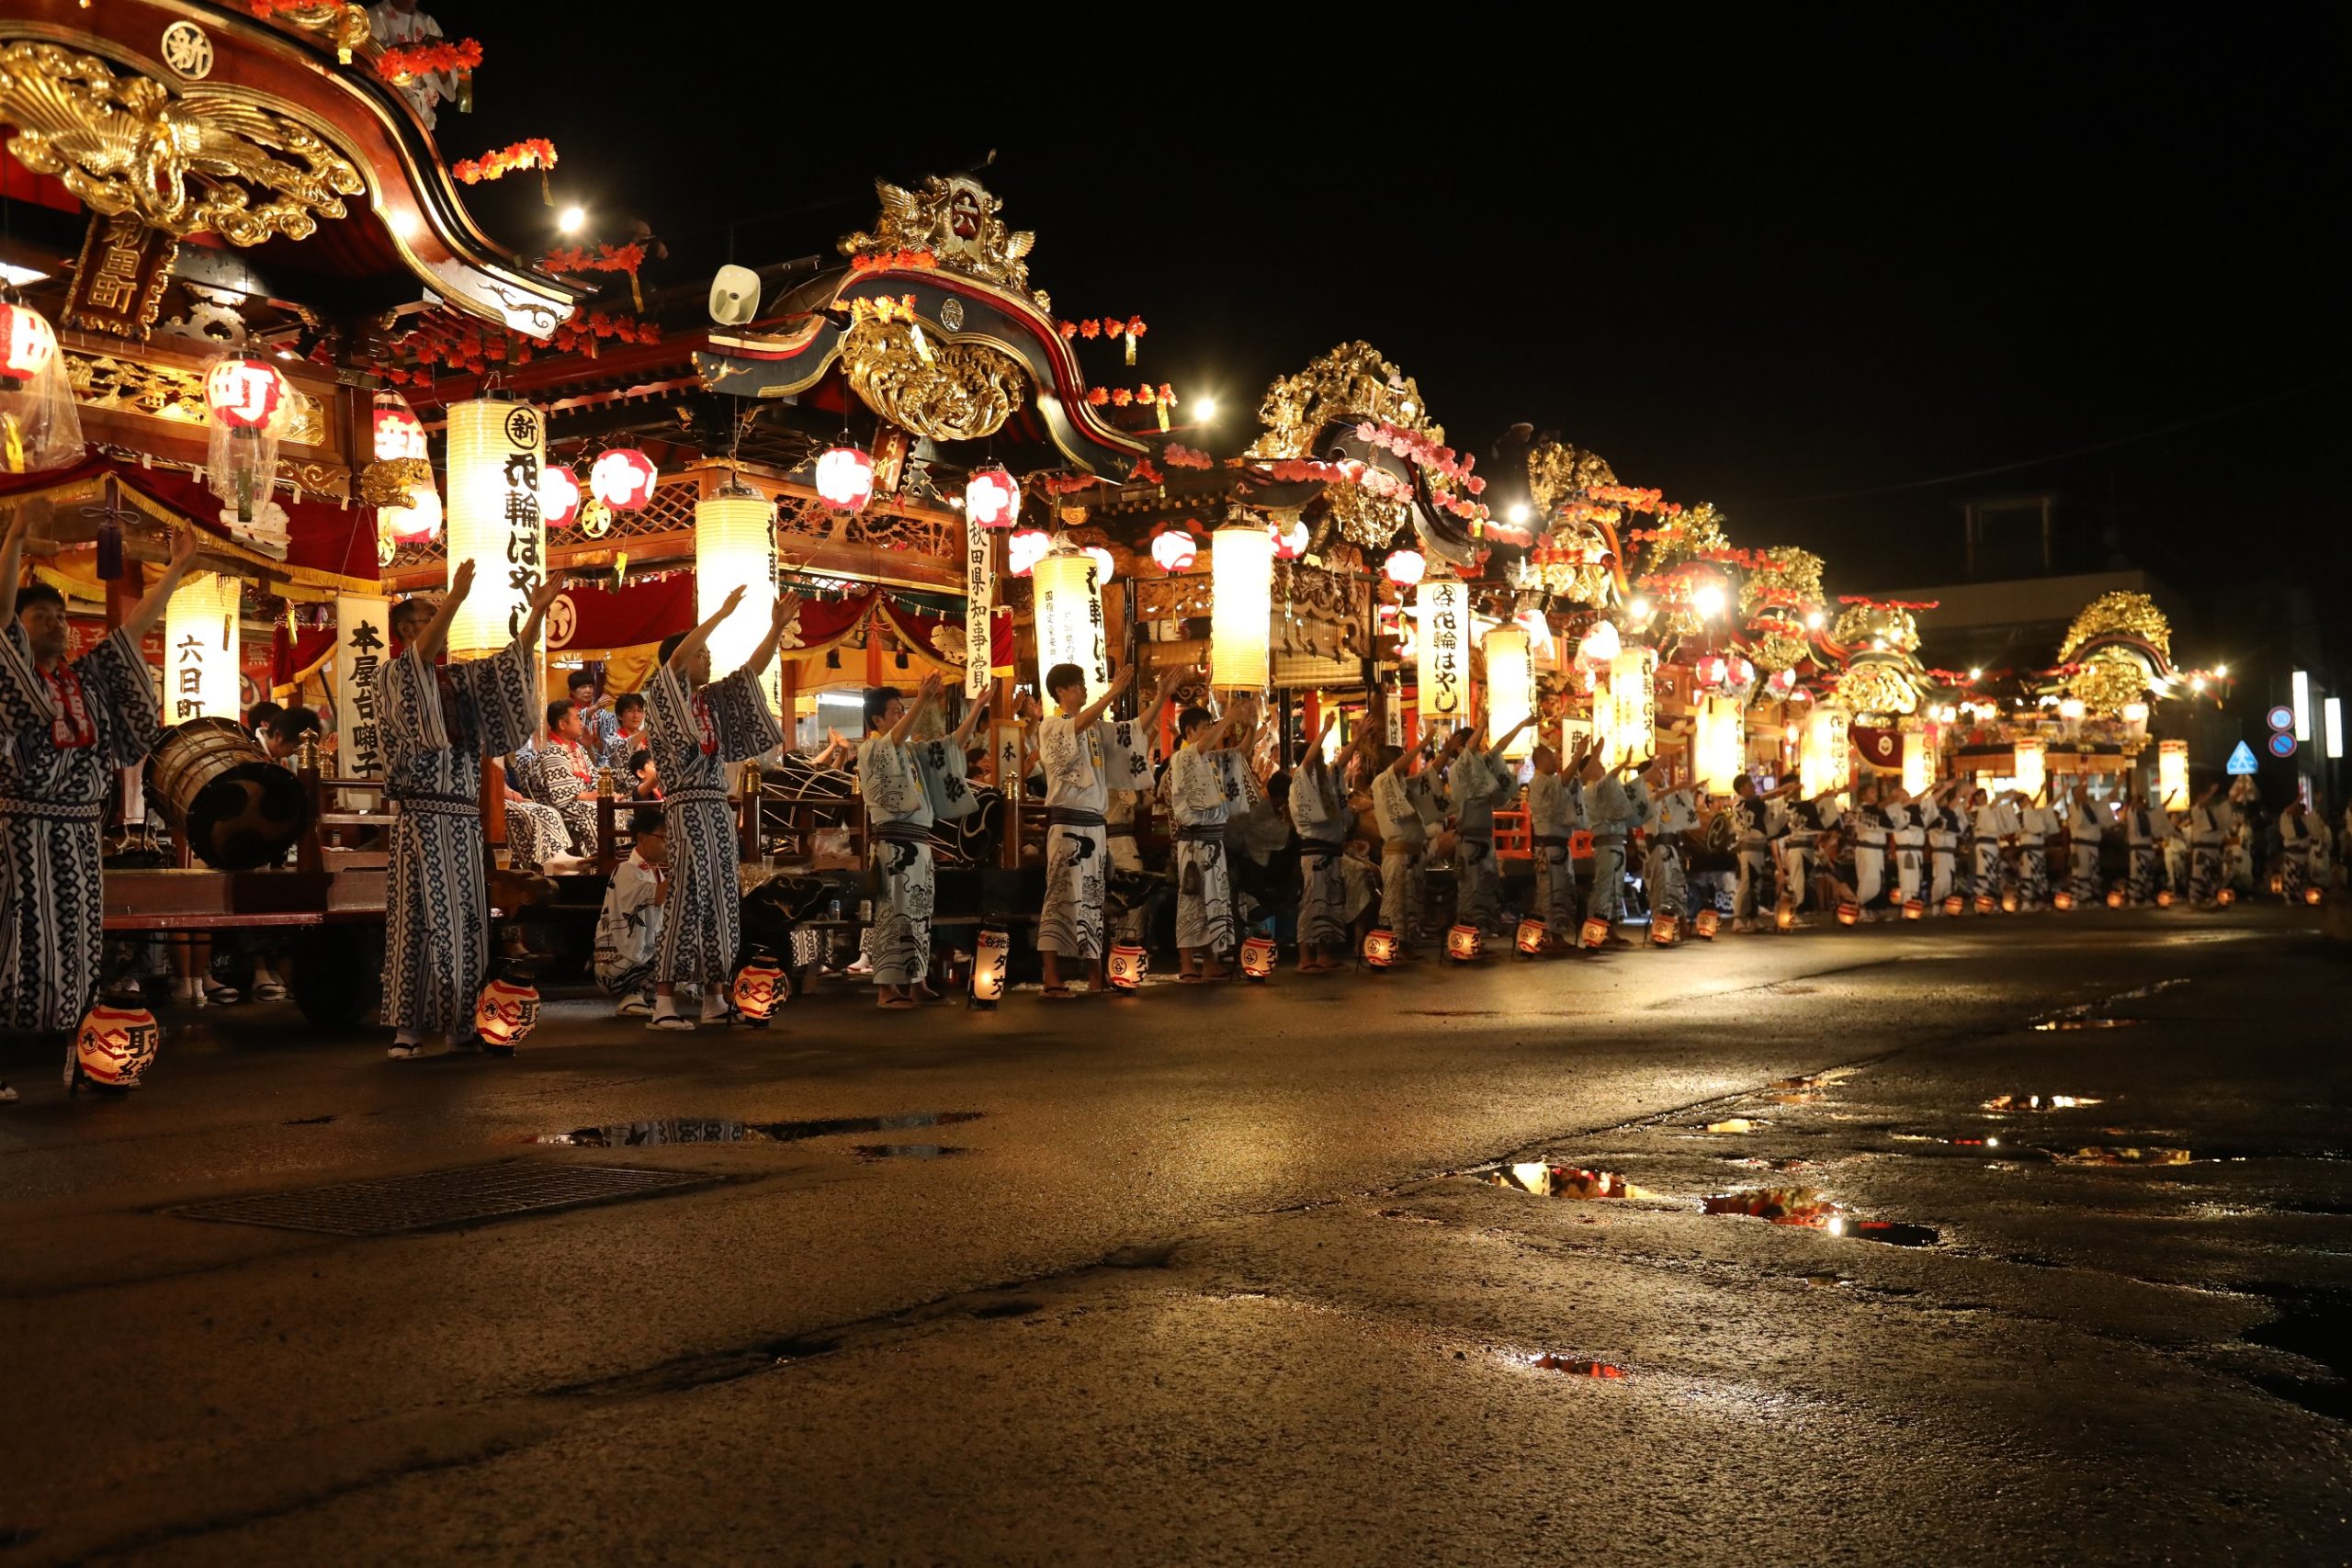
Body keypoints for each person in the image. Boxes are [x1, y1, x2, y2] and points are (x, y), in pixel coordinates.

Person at [0, 507, 198, 1100]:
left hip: (81, 836)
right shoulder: (10, 673)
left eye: (62, 616)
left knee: (83, 948)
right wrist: (12, 538)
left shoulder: (85, 679)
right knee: (15, 940)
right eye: (43, 616)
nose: (57, 624)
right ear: (19, 625)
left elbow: (130, 633)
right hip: (23, 833)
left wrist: (178, 568)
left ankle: (84, 1060)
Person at [379, 566, 561, 1059]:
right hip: (421, 816)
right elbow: (417, 678)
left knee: (467, 921)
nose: (435, 625)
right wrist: (456, 595)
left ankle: (461, 1021)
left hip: (461, 819)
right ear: (406, 631)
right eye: (425, 619)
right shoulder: (393, 675)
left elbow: (509, 665)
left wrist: (537, 611)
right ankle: (408, 1029)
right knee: (415, 922)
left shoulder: (458, 679)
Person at [644, 586, 797, 1031]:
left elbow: (751, 672)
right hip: (687, 807)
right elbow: (674, 661)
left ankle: (714, 996)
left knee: (721, 902)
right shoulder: (662, 695)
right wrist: (720, 613)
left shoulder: (707, 702)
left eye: (708, 653)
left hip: (715, 808)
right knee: (687, 898)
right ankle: (663, 1002)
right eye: (700, 653)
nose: (707, 659)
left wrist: (775, 627)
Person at [858, 674, 982, 1009]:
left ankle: (917, 982)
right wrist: (923, 701)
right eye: (896, 711)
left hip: (920, 845)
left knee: (919, 915)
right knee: (894, 914)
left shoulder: (911, 752)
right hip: (894, 846)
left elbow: (951, 746)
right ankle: (886, 990)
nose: (901, 716)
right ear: (877, 719)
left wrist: (978, 708)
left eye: (903, 710)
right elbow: (893, 742)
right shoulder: (872, 749)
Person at [1035, 660, 1153, 998]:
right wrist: (1112, 693)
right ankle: (1051, 976)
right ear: (1061, 691)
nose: (1084, 691)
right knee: (1059, 897)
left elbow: (1132, 732)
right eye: (1078, 685)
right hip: (1068, 824)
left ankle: (1095, 975)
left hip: (1095, 827)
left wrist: (1161, 699)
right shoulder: (1052, 725)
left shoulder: (1094, 729)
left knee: (1092, 900)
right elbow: (1074, 728)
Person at [1168, 695, 1253, 981]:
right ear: (1190, 732)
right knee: (1191, 901)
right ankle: (1187, 964)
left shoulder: (1212, 760)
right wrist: (1228, 718)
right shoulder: (1183, 757)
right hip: (1193, 843)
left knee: (1214, 902)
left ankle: (1210, 961)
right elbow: (1203, 747)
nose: (1209, 731)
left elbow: (1240, 752)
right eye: (1205, 726)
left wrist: (1251, 727)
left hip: (1214, 841)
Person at [1446, 706, 1529, 936]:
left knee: (1486, 885)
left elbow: (1500, 746)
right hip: (1471, 838)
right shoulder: (1460, 767)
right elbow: (1472, 747)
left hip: (1483, 836)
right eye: (1476, 740)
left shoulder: (1478, 764)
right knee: (1472, 889)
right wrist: (1482, 723)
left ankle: (1481, 929)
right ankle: (1470, 933)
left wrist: (1522, 724)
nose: (1480, 745)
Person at [1289, 713, 1360, 973]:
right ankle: (1305, 956)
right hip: (1314, 852)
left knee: (1330, 903)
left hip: (1331, 850)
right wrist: (1326, 729)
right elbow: (1308, 760)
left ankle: (1324, 954)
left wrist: (1359, 737)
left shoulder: (1325, 779)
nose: (1321, 759)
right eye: (1318, 755)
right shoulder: (1301, 779)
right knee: (1312, 902)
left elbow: (1340, 762)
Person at [1371, 735, 1444, 953]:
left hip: (1412, 855)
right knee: (1397, 905)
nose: (1408, 764)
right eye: (1403, 760)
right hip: (1397, 854)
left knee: (1412, 905)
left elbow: (1429, 776)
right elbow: (1396, 769)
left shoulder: (1405, 785)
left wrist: (1446, 752)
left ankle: (1407, 947)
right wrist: (1420, 746)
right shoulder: (1382, 782)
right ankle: (1393, 949)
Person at [594, 808, 667, 1017]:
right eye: (664, 837)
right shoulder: (626, 870)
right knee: (675, 948)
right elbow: (659, 896)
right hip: (616, 966)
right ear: (642, 838)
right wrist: (686, 866)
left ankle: (643, 992)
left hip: (640, 960)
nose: (669, 844)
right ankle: (632, 992)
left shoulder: (655, 870)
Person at [1584, 751, 1654, 943]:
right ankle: (1598, 930)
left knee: (1615, 888)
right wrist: (1624, 763)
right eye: (1598, 764)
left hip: (1616, 844)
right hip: (1605, 844)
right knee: (1604, 888)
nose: (1603, 768)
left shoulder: (1605, 789)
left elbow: (1629, 791)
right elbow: (1607, 780)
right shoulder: (1591, 790)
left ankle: (1611, 930)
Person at [1525, 738, 1587, 946]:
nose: (1556, 762)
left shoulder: (1552, 782)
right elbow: (1564, 781)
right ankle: (1553, 937)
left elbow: (1575, 782)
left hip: (1559, 847)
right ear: (1540, 760)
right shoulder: (1539, 782)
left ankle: (1557, 936)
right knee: (1551, 892)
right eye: (1552, 758)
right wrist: (1578, 755)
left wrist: (1591, 757)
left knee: (1561, 891)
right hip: (1549, 847)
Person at [367, 0, 456, 128]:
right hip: (388, 105)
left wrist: (438, 62)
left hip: (422, 112)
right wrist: (398, 51)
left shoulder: (428, 23)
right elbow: (364, 60)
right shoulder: (375, 16)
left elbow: (447, 79)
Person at [534, 697, 603, 856]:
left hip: (580, 802)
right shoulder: (551, 751)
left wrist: (602, 792)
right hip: (561, 806)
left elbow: (594, 776)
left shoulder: (577, 748)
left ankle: (616, 859)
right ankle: (599, 861)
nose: (581, 723)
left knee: (613, 806)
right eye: (577, 718)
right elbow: (562, 796)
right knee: (598, 811)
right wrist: (591, 796)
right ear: (562, 724)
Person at [1729, 773, 1798, 932]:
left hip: (1757, 848)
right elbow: (1763, 799)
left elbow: (1772, 804)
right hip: (1748, 848)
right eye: (1750, 785)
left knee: (1755, 884)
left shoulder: (1754, 804)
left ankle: (1752, 919)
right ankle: (1738, 918)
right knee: (1747, 883)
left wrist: (1787, 795)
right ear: (1742, 789)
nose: (1754, 787)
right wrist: (1782, 790)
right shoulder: (1740, 805)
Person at [2186, 783, 2230, 908]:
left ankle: (2211, 897)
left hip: (2213, 849)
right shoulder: (2196, 810)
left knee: (2213, 874)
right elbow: (2201, 803)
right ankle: (2194, 898)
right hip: (2202, 848)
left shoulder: (2213, 813)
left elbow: (2225, 808)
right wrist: (2211, 792)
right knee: (2199, 874)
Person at [565, 670, 618, 761]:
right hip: (570, 758)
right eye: (583, 687)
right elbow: (575, 716)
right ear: (572, 691)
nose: (588, 690)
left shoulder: (600, 713)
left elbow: (608, 746)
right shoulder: (563, 709)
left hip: (596, 762)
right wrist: (596, 706)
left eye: (591, 686)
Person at [601, 692, 649, 773]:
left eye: (639, 711)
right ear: (619, 715)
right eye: (630, 711)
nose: (636, 715)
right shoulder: (612, 740)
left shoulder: (650, 739)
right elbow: (622, 749)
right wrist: (649, 727)